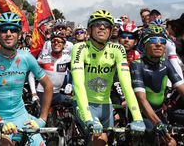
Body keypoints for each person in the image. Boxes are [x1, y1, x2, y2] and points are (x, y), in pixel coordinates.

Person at [0, 12, 53, 146]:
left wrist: (42, 119)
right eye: (4, 30)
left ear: (19, 34)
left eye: (13, 30)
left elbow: (48, 85)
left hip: (22, 117)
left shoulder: (26, 57)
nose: (9, 33)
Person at [71, 10, 145, 146]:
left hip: (106, 104)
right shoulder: (80, 48)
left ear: (111, 31)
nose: (102, 27)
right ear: (89, 29)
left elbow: (126, 84)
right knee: (100, 140)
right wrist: (88, 118)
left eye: (107, 25)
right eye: (97, 24)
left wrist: (138, 118)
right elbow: (78, 84)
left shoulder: (118, 49)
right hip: (84, 103)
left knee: (109, 142)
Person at [131, 25, 184, 146]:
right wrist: (157, 123)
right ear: (144, 45)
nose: (159, 44)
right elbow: (141, 100)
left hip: (159, 114)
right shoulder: (137, 65)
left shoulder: (166, 64)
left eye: (163, 41)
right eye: (153, 40)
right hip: (142, 114)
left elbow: (182, 89)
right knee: (170, 143)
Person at [29, 31, 72, 108]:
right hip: (42, 93)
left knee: (74, 104)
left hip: (57, 94)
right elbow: (31, 75)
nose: (56, 43)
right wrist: (34, 94)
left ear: (64, 45)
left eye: (59, 41)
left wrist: (71, 84)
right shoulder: (43, 58)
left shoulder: (67, 58)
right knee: (44, 118)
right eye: (53, 41)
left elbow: (75, 73)